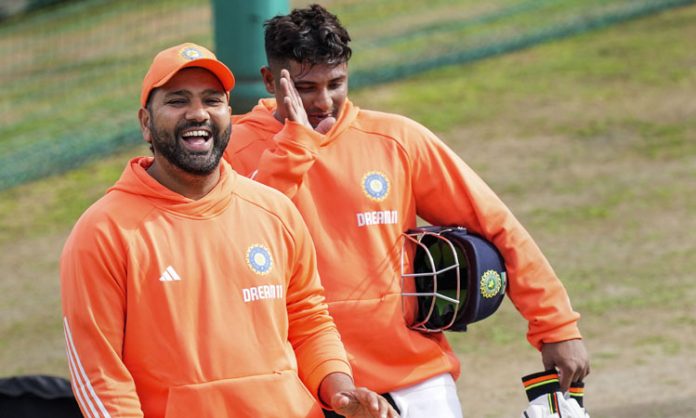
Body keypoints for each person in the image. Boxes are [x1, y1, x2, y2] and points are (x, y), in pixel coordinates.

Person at [223, 4, 590, 417]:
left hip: (416, 377)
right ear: (271, 80)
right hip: (298, 387)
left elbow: (497, 225)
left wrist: (556, 326)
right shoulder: (231, 149)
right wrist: (294, 144)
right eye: (306, 88)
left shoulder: (397, 139)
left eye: (337, 83)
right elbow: (228, 245)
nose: (324, 102)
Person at [60, 42, 398, 418]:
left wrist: (342, 391)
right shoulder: (102, 232)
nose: (198, 113)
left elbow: (309, 320)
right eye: (177, 101)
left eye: (212, 100)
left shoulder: (274, 210)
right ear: (145, 123)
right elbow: (100, 378)